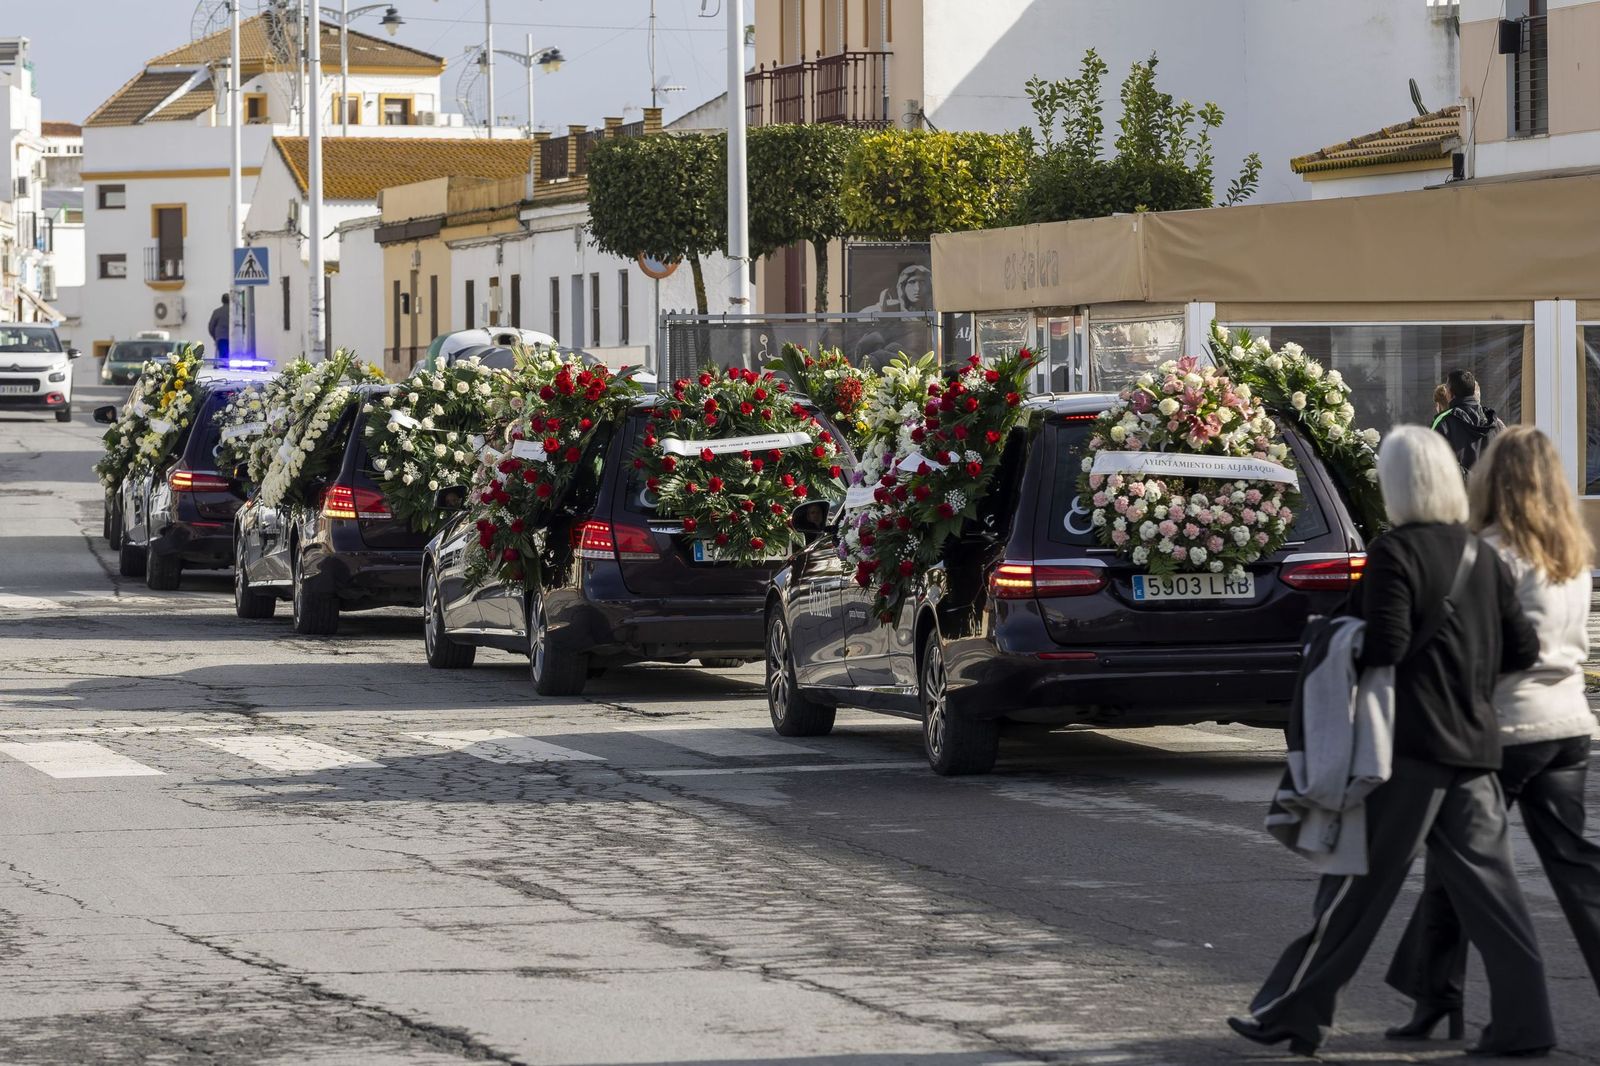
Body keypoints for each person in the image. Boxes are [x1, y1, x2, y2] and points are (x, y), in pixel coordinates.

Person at [1228, 425, 1551, 1059]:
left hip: (1406, 752)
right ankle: (1527, 1023)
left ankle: (1295, 1012)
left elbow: (1386, 647)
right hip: (1475, 749)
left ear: (1398, 484)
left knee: (1353, 890)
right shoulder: (1481, 553)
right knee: (1496, 897)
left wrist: (1333, 634)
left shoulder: (1395, 552)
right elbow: (1524, 649)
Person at [1385, 426, 1599, 1042]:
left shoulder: (1491, 551)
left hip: (1504, 727)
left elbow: (1489, 648)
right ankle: (1432, 995)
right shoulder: (1572, 554)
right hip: (1570, 725)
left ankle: (1439, 996)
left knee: (1462, 866)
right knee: (1573, 866)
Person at [1434, 369, 1503, 471]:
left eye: (1447, 387)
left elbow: (1433, 461)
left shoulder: (1444, 422)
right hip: (1489, 485)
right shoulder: (1495, 422)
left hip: (1457, 486)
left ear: (1450, 394)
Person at [208, 294, 230, 361]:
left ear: (222, 301)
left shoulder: (217, 312)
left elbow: (211, 326)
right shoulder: (236, 312)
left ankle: (223, 368)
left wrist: (215, 337)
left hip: (221, 337)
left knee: (222, 358)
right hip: (234, 338)